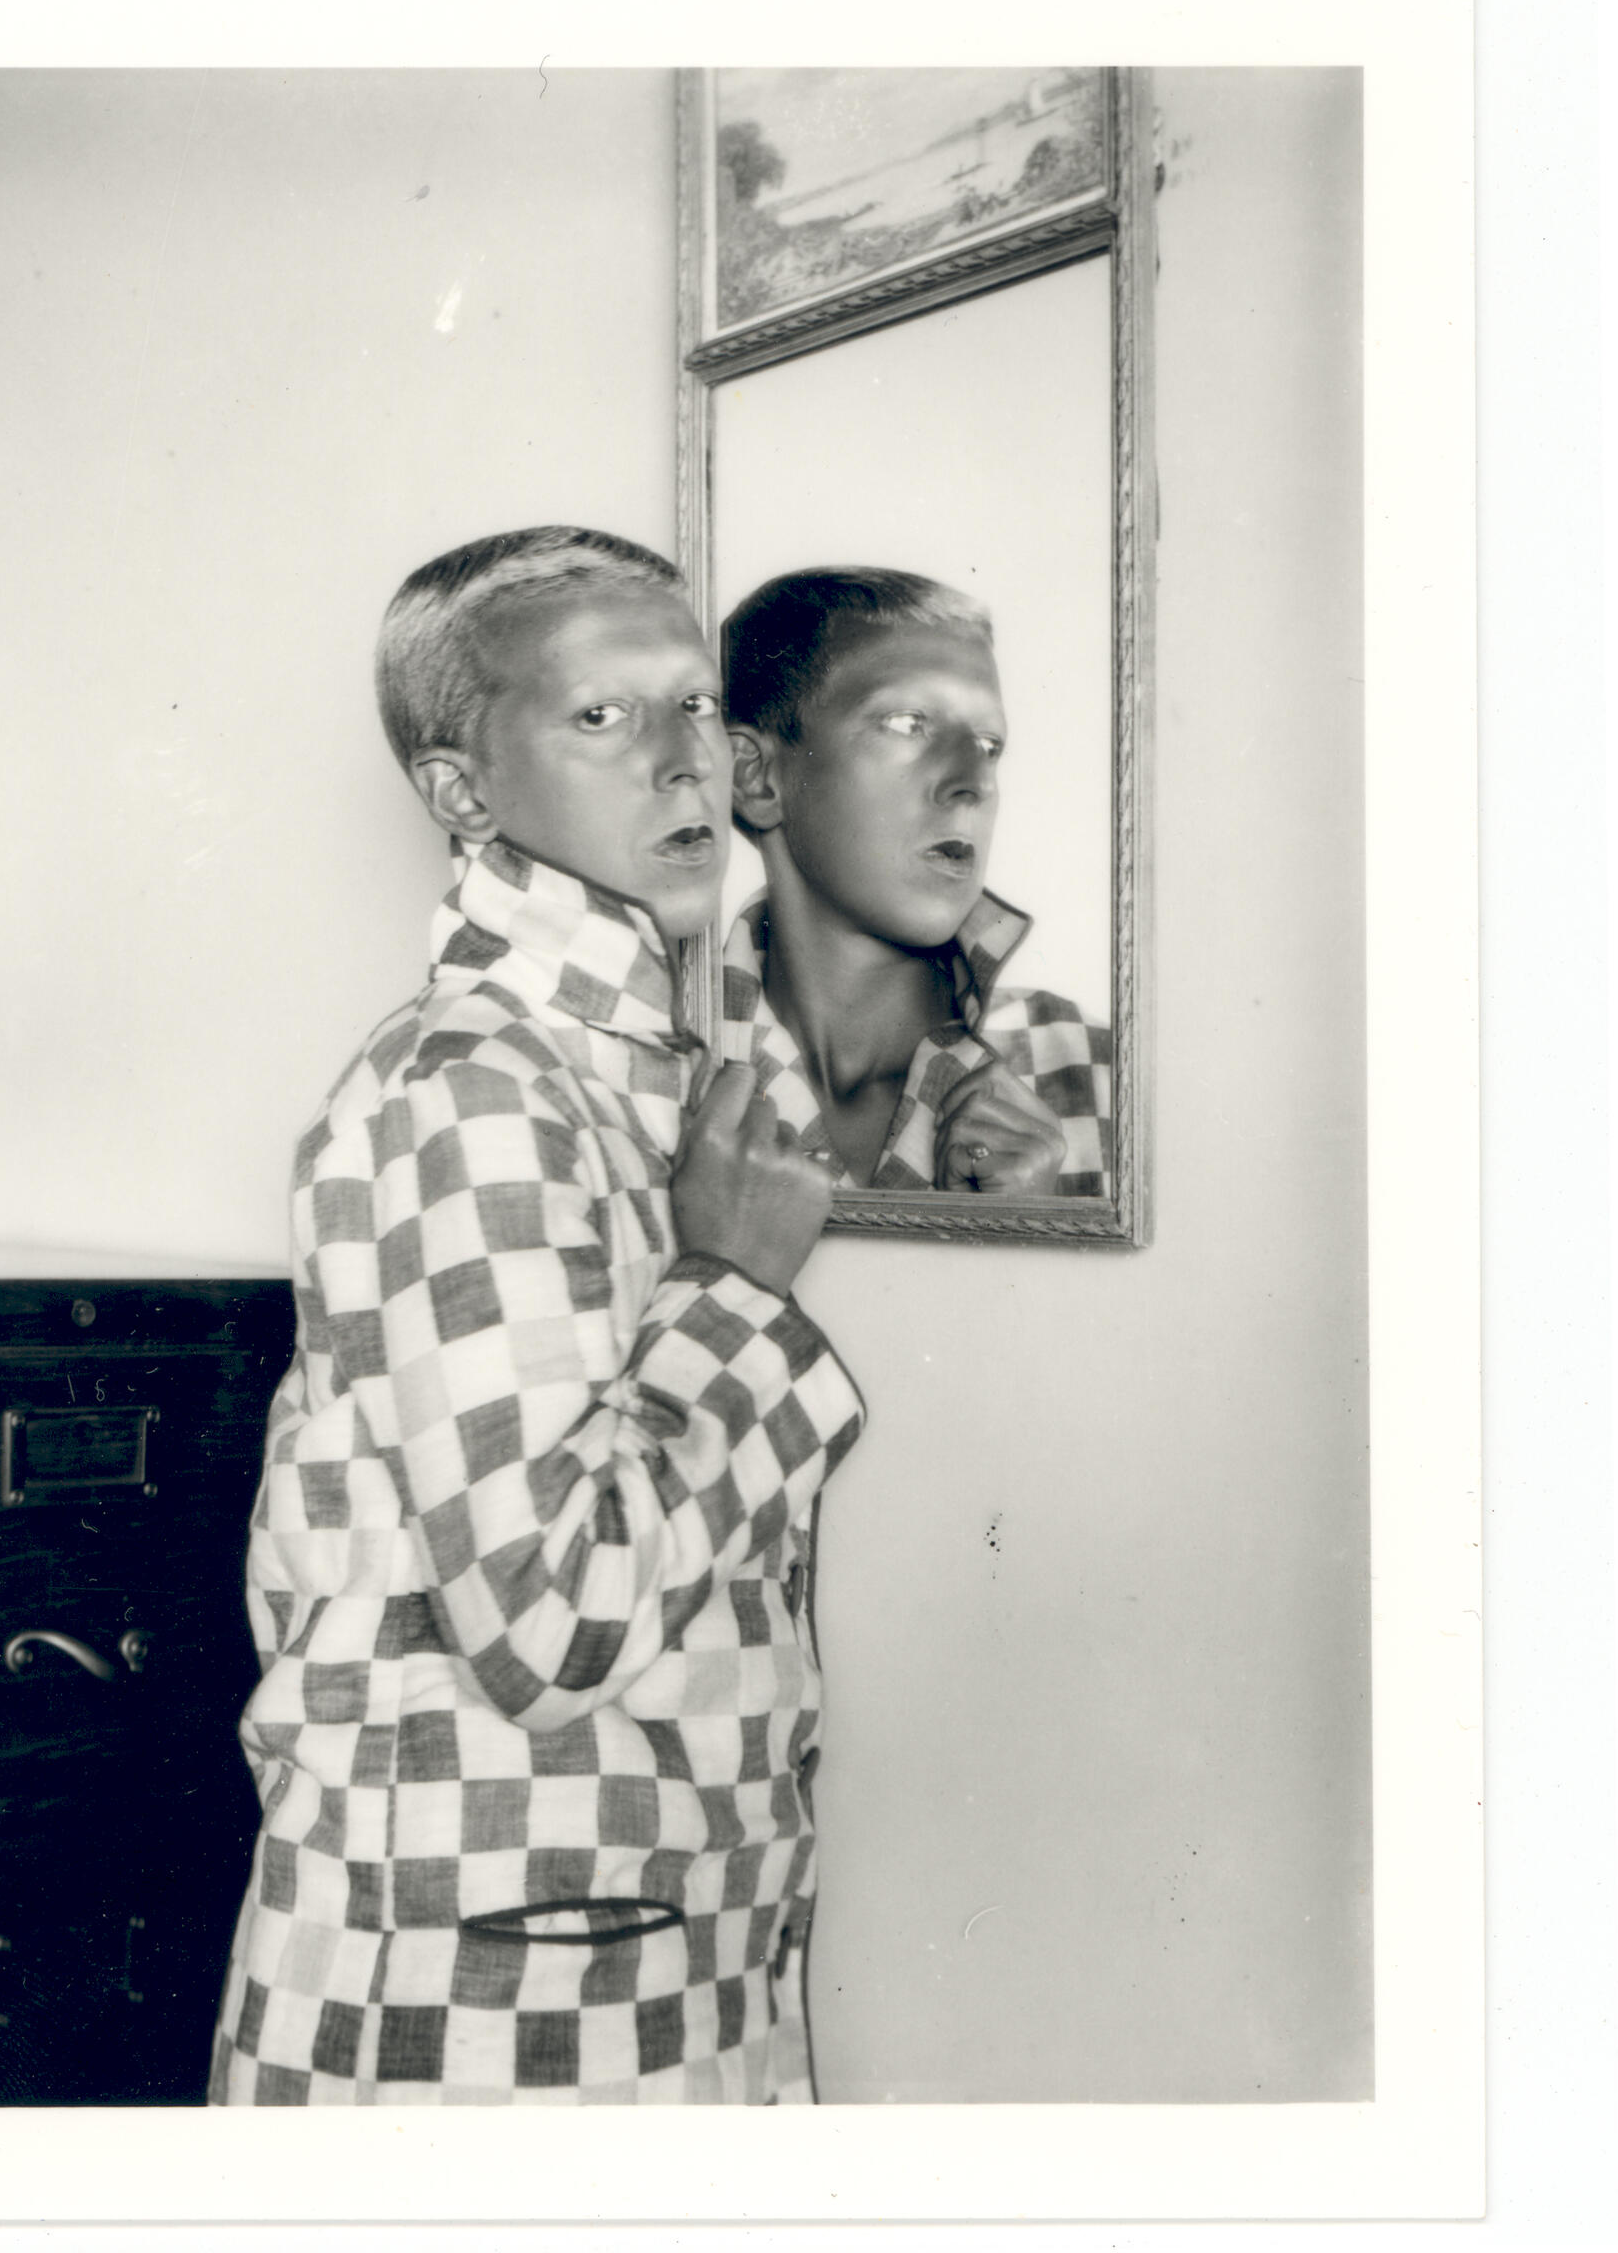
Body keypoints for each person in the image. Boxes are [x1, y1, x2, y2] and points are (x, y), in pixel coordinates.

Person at [210, 527, 865, 2107]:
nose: (683, 758)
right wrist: (736, 1289)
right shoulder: (472, 1092)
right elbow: (551, 1622)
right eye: (601, 716)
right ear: (460, 792)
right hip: (481, 1993)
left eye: (696, 703)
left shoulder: (640, 1066)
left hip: (641, 1942)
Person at [718, 566, 1111, 1196]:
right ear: (756, 779)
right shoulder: (646, 1075)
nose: (973, 782)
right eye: (908, 723)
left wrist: (1031, 1236)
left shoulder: (1102, 1075)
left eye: (989, 744)